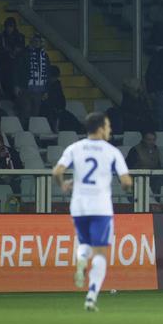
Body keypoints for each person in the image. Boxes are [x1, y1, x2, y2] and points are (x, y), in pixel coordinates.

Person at [51, 112, 133, 311]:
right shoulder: (112, 151)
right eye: (108, 126)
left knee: (84, 244)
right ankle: (91, 296)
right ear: (100, 128)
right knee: (101, 253)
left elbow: (57, 171)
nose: (110, 130)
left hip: (78, 206)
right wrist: (126, 187)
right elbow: (125, 181)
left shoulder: (75, 148)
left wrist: (63, 185)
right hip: (101, 206)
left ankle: (81, 259)